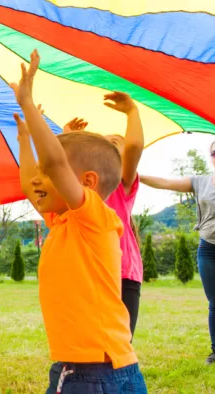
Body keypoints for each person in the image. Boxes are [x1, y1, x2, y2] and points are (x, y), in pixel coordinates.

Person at [14, 49, 147, 393]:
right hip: (99, 367)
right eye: (42, 173)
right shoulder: (63, 222)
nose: (39, 179)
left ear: (87, 182)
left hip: (91, 371)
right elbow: (31, 182)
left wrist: (29, 104)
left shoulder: (95, 218)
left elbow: (56, 165)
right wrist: (24, 138)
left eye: (49, 172)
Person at [63, 91, 146, 337]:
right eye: (104, 143)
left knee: (119, 341)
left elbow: (133, 147)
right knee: (88, 339)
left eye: (115, 143)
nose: (110, 143)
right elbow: (61, 166)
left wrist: (132, 111)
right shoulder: (83, 187)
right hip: (87, 272)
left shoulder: (122, 185)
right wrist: (70, 138)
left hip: (121, 274)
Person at [140, 139, 215, 364]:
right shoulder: (200, 182)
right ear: (211, 156)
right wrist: (136, 176)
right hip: (209, 249)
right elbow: (165, 182)